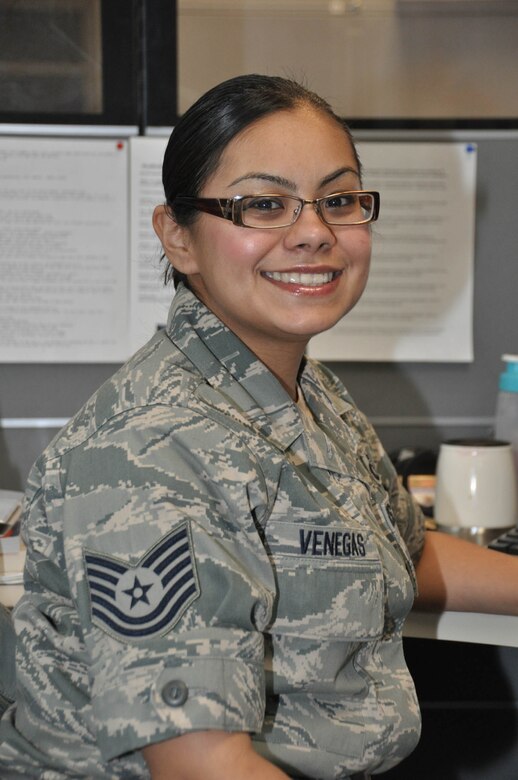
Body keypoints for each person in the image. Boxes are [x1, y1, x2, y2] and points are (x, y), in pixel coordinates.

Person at [1, 74, 518, 780]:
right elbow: (201, 765)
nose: (313, 233)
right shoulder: (151, 449)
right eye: (263, 205)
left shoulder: (301, 389)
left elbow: (400, 550)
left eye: (338, 201)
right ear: (177, 236)